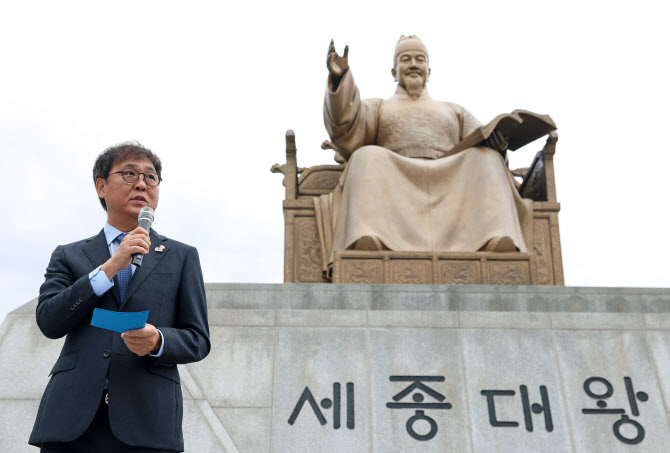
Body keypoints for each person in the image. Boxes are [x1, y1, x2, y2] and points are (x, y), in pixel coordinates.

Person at [29, 142, 210, 452]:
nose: (141, 184)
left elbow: (198, 339)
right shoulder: (69, 255)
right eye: (129, 174)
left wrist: (158, 340)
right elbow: (49, 321)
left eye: (150, 177)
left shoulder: (181, 257)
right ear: (101, 186)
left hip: (148, 421)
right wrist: (109, 268)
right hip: (70, 421)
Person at [315, 35, 532, 271]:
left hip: (448, 177)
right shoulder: (379, 107)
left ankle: (493, 237)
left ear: (429, 71)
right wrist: (340, 78)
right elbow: (346, 125)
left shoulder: (453, 110)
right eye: (405, 60)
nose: (413, 65)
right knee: (365, 156)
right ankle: (369, 235)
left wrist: (498, 146)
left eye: (420, 60)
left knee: (488, 159)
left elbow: (481, 138)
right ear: (394, 72)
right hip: (396, 175)